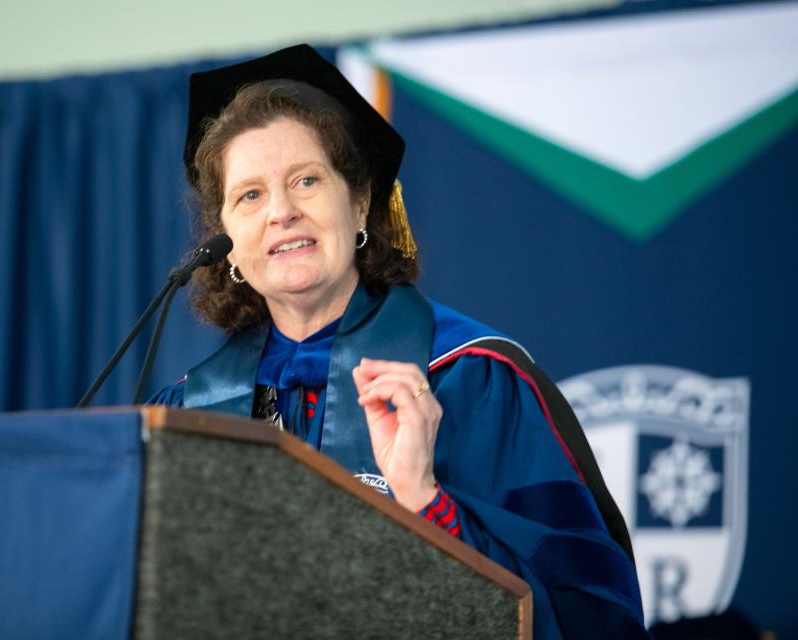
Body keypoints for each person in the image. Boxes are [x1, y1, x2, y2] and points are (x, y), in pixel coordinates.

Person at [152, 44, 648, 638]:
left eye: (306, 180)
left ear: (360, 202)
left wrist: (426, 503)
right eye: (250, 195)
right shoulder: (190, 414)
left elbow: (590, 615)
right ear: (227, 237)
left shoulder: (471, 380)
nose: (280, 212)